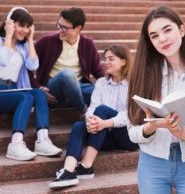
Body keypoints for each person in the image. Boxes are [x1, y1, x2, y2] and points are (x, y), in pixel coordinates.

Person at [127, 5, 185, 194]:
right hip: (152, 162)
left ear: (181, 30)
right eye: (154, 35)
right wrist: (152, 126)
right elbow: (132, 132)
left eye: (167, 30)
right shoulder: (143, 74)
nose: (162, 39)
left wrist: (184, 133)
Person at [49, 45, 138, 189]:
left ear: (124, 61)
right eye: (105, 59)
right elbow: (92, 108)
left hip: (127, 137)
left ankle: (86, 165)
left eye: (111, 59)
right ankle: (68, 170)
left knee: (102, 110)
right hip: (104, 137)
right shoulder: (102, 83)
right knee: (80, 125)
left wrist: (105, 123)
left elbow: (130, 115)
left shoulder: (134, 84)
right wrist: (90, 120)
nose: (106, 62)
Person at [0, 7, 62, 161]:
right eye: (22, 25)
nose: (25, 30)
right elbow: (3, 60)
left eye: (28, 27)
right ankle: (15, 144)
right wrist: (8, 35)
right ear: (10, 24)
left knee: (38, 93)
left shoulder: (23, 47)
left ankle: (42, 139)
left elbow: (33, 65)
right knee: (25, 98)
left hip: (12, 90)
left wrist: (29, 40)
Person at [29, 7, 104, 114]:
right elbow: (27, 67)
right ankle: (83, 110)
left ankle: (71, 101)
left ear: (78, 28)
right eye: (59, 25)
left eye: (64, 28)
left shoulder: (87, 44)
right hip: (53, 88)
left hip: (78, 87)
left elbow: (97, 71)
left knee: (99, 93)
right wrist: (38, 87)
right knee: (67, 75)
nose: (60, 30)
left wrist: (109, 86)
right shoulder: (46, 42)